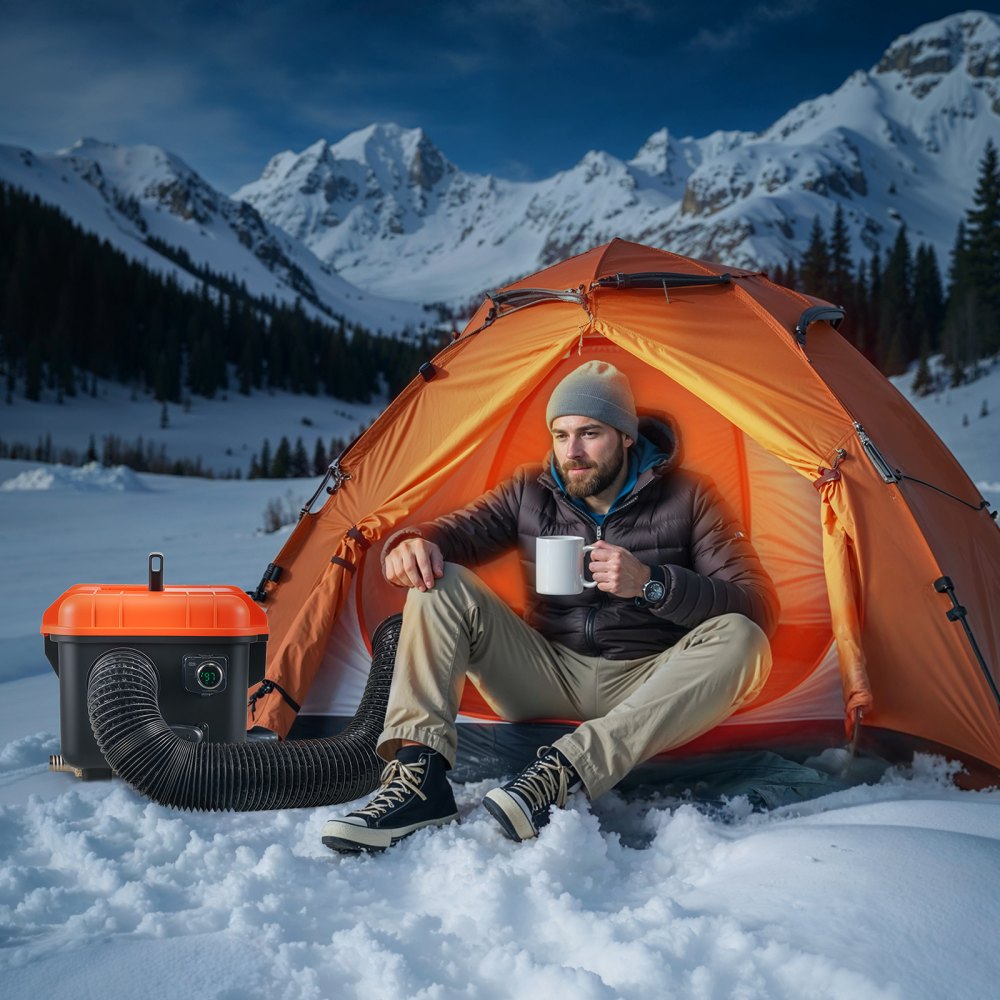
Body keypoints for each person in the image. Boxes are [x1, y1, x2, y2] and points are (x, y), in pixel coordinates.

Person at [322, 361, 779, 852]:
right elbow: (459, 533)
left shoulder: (689, 497)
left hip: (647, 680)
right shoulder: (530, 491)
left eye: (590, 433)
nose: (572, 452)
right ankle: (418, 781)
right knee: (440, 582)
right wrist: (415, 541)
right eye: (561, 435)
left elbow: (756, 605)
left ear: (626, 437)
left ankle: (563, 772)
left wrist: (652, 584)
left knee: (744, 638)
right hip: (546, 672)